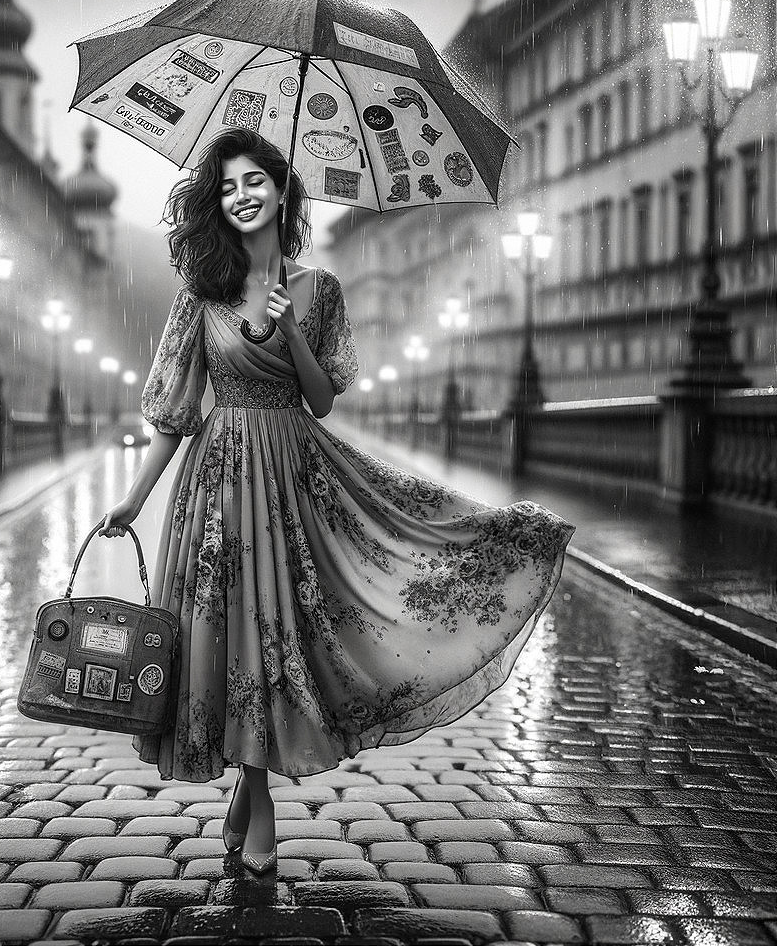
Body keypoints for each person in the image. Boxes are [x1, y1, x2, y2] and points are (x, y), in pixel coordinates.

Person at [96, 127, 574, 876]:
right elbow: (173, 415)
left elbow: (320, 401)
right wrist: (132, 500)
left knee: (289, 636)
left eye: (255, 180)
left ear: (283, 190)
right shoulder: (201, 292)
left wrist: (288, 328)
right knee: (230, 636)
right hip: (217, 484)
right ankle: (255, 801)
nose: (241, 196)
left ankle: (251, 795)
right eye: (226, 186)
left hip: (293, 482)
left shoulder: (320, 290)